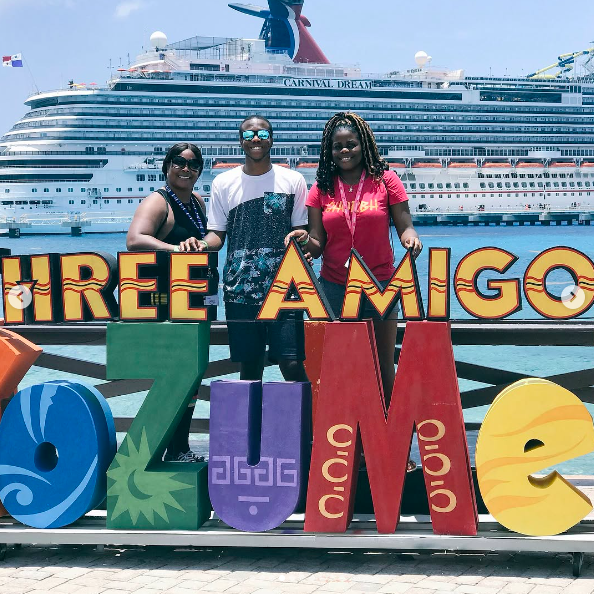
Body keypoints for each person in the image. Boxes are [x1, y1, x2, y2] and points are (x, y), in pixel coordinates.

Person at [286, 112, 422, 469]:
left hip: (379, 285)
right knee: (339, 371)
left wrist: (410, 238)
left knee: (383, 367)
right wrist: (304, 242)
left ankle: (394, 450)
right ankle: (349, 448)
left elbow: (404, 224)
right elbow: (318, 240)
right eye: (337, 146)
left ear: (364, 145)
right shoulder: (321, 188)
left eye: (351, 144)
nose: (344, 150)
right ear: (328, 150)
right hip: (334, 288)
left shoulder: (386, 180)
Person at [197, 115, 309, 383]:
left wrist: (304, 237)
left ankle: (307, 425)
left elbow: (304, 231)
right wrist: (200, 244)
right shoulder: (223, 183)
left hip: (286, 286)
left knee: (292, 364)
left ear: (272, 139)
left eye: (262, 133)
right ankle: (252, 426)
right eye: (248, 135)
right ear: (240, 141)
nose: (255, 139)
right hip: (239, 289)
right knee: (249, 370)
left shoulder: (294, 180)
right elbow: (217, 235)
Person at [126, 142, 207, 462]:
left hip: (192, 298)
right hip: (163, 300)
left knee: (192, 379)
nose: (186, 168)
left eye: (193, 164)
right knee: (175, 377)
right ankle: (166, 448)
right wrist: (175, 250)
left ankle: (180, 447)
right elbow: (135, 239)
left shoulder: (197, 202)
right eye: (178, 162)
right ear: (166, 166)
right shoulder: (158, 201)